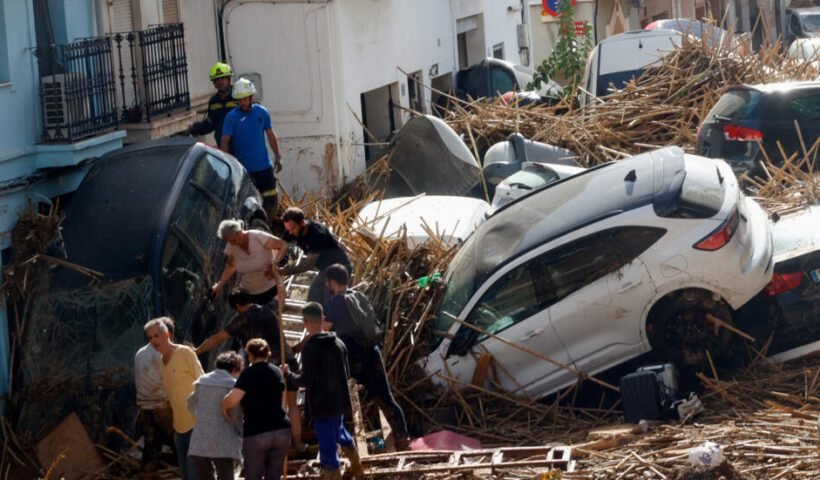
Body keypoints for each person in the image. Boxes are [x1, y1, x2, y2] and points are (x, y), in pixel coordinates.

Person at [195, 289, 305, 451]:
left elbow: (216, 339)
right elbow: (281, 294)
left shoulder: (242, 320)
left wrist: (196, 352)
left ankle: (272, 446)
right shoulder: (269, 309)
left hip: (267, 368)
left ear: (238, 305)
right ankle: (298, 443)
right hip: (287, 361)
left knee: (269, 407)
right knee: (292, 405)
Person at [323, 264, 411, 450]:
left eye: (327, 283)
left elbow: (324, 328)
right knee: (386, 398)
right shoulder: (358, 296)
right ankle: (403, 440)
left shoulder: (336, 303)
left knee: (339, 400)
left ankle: (342, 443)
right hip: (372, 352)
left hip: (354, 358)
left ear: (332, 282)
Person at [284, 302, 363, 480]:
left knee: (328, 451)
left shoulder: (311, 349)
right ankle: (358, 468)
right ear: (322, 319)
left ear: (305, 323)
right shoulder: (338, 342)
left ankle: (333, 475)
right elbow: (346, 372)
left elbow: (305, 381)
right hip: (338, 403)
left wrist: (288, 374)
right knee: (340, 432)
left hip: (322, 407)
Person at [221, 339, 290, 480]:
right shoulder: (277, 371)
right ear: (267, 353)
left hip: (257, 432)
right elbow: (283, 401)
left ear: (250, 355)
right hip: (281, 430)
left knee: (253, 476)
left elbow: (233, 399)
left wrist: (223, 406)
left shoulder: (248, 374)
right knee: (274, 476)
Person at [146, 317, 204, 480]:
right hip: (179, 430)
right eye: (150, 338)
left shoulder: (185, 353)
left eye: (156, 336)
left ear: (167, 335)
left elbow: (203, 384)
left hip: (196, 426)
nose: (153, 341)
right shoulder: (160, 362)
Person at [220, 78, 283, 217]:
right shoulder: (231, 118)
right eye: (239, 100)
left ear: (251, 97)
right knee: (249, 205)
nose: (242, 103)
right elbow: (224, 142)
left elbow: (271, 135)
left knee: (271, 199)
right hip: (244, 171)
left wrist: (278, 156)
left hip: (264, 168)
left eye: (245, 99)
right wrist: (228, 164)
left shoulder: (262, 112)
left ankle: (270, 225)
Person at [188, 351, 244, 480]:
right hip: (224, 444)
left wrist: (203, 417)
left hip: (199, 443)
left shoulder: (202, 381)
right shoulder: (234, 385)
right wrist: (240, 435)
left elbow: (190, 404)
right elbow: (236, 417)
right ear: (236, 369)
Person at [280, 207, 352, 305]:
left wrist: (286, 271)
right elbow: (282, 246)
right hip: (325, 268)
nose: (290, 233)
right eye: (288, 229)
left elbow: (308, 265)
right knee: (316, 297)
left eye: (292, 229)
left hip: (340, 268)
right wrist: (276, 262)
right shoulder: (291, 230)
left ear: (302, 223)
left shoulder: (317, 234)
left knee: (317, 297)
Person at [211, 219, 289, 305]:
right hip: (250, 294)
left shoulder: (258, 237)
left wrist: (275, 263)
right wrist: (220, 285)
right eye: (229, 242)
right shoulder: (231, 247)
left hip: (272, 290)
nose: (232, 244)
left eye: (233, 240)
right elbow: (231, 266)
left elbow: (283, 245)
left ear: (239, 233)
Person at [134, 317, 176, 475]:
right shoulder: (163, 354)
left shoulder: (140, 353)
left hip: (145, 408)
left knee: (151, 448)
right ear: (168, 334)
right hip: (163, 407)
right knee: (180, 441)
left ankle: (146, 476)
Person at [188, 62, 236, 147]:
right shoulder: (214, 102)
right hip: (223, 147)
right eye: (217, 79)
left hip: (240, 146)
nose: (220, 82)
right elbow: (210, 123)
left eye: (223, 78)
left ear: (229, 79)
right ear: (214, 82)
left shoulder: (239, 97)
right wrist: (194, 128)